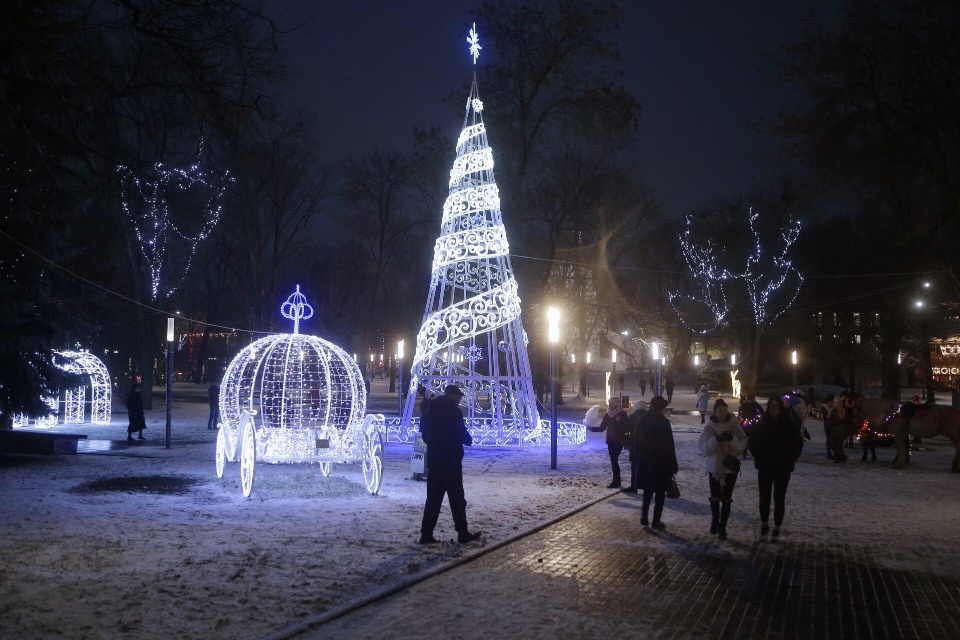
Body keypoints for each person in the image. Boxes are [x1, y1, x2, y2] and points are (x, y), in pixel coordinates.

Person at [418, 385, 481, 545]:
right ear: (453, 397)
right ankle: (462, 532)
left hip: (434, 461)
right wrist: (468, 439)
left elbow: (424, 436)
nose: (459, 401)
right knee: (458, 500)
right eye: (459, 398)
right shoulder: (454, 412)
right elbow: (460, 432)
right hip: (451, 462)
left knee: (433, 500)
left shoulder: (429, 412)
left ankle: (426, 534)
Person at [748, 395, 804, 538]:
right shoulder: (762, 424)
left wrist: (790, 458)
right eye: (771, 406)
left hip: (782, 467)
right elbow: (753, 442)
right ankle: (764, 522)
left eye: (776, 406)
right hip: (765, 466)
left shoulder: (788, 425)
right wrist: (758, 456)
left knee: (779, 497)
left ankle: (777, 525)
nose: (774, 409)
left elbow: (797, 443)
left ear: (780, 408)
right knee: (764, 497)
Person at [698, 399, 748, 540]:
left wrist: (731, 439)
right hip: (714, 467)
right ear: (715, 411)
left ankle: (722, 527)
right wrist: (717, 440)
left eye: (725, 410)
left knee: (726, 498)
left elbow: (741, 446)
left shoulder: (734, 426)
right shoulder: (710, 427)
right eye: (720, 410)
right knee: (715, 497)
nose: (722, 413)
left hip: (730, 467)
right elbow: (704, 448)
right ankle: (715, 521)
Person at [635, 396, 679, 529]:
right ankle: (656, 521)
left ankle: (644, 516)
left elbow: (637, 440)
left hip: (646, 461)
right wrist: (673, 465)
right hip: (662, 462)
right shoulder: (664, 422)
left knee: (647, 492)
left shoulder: (641, 420)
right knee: (660, 493)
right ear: (661, 408)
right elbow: (669, 445)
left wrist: (637, 457)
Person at [598, 396, 630, 489]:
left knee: (614, 459)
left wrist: (619, 425)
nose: (610, 405)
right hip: (611, 440)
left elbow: (627, 427)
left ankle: (616, 481)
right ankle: (616, 481)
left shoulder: (622, 414)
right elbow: (602, 427)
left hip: (619, 440)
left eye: (612, 403)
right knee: (613, 460)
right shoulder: (607, 414)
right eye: (609, 403)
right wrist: (591, 428)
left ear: (617, 404)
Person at [623, 400, 647, 493]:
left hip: (635, 444)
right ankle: (645, 486)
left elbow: (627, 428)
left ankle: (634, 486)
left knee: (634, 465)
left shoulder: (633, 416)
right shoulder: (648, 416)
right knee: (645, 466)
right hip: (646, 445)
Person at [821, 393, 836, 459]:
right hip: (831, 423)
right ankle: (831, 452)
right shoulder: (831, 406)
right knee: (831, 438)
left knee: (829, 438)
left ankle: (829, 452)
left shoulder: (824, 406)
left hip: (826, 423)